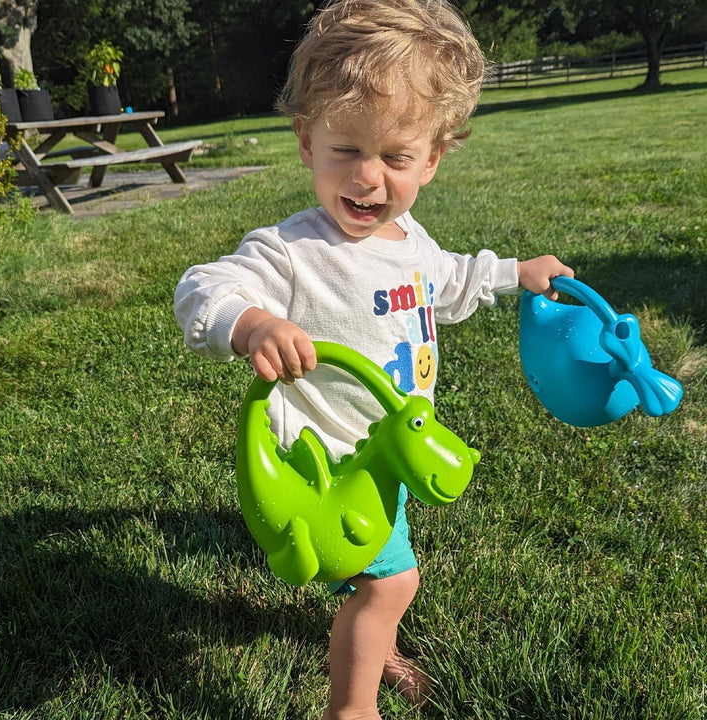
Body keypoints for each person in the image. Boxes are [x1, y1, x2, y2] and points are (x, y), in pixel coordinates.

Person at [174, 0, 573, 717]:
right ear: (306, 141)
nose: (368, 179)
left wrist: (517, 272)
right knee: (393, 583)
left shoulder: (409, 238)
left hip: (385, 452)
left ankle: (372, 638)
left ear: (433, 157)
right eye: (346, 151)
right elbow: (204, 288)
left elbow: (450, 281)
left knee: (375, 579)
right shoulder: (294, 251)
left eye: (395, 157)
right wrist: (251, 320)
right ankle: (352, 707)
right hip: (329, 464)